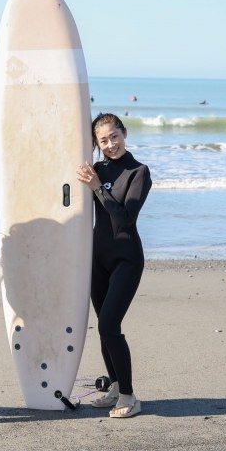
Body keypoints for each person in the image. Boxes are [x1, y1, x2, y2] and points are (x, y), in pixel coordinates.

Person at [76, 113, 152, 418]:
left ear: (124, 133)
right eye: (103, 140)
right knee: (105, 328)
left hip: (126, 259)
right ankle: (116, 386)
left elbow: (124, 218)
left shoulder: (139, 172)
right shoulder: (97, 169)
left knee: (109, 325)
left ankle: (130, 396)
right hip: (98, 259)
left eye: (114, 136)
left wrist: (96, 187)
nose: (110, 144)